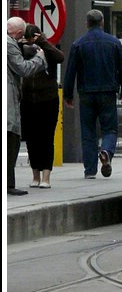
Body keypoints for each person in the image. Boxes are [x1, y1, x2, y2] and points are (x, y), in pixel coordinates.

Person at [63, 9, 122, 179]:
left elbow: (70, 71)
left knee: (88, 131)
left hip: (86, 93)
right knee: (110, 129)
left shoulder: (78, 44)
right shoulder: (114, 43)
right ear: (102, 22)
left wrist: (67, 94)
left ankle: (90, 170)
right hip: (108, 92)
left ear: (87, 23)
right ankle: (106, 151)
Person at [20, 24, 65, 188]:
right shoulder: (22, 51)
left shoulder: (48, 50)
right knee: (32, 140)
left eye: (33, 37)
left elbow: (60, 57)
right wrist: (20, 43)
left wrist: (43, 42)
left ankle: (46, 177)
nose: (31, 41)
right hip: (28, 101)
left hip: (48, 100)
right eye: (28, 38)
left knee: (46, 138)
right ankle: (35, 175)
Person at [6, 17, 47, 196]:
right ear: (18, 33)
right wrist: (40, 58)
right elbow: (23, 68)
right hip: (7, 100)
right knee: (11, 141)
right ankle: (8, 184)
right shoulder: (9, 44)